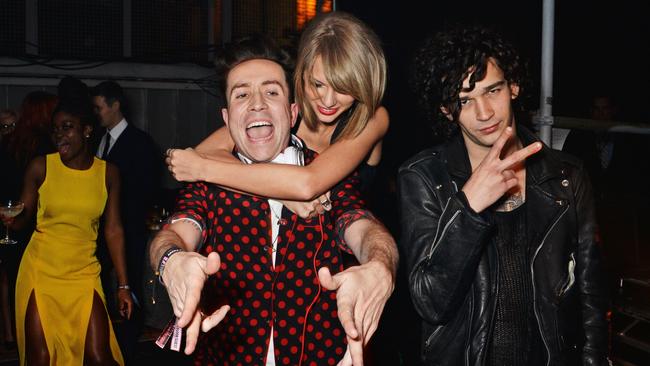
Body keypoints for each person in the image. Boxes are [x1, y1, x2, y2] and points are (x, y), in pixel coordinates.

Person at [150, 35, 397, 366]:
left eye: (271, 92)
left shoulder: (329, 174)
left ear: (293, 111)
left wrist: (380, 265)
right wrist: (172, 261)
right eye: (242, 95)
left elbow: (363, 226)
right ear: (226, 119)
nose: (256, 103)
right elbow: (176, 233)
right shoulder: (209, 182)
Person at [399, 26, 609, 365]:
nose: (484, 113)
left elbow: (591, 296)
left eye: (492, 90)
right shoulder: (425, 176)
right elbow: (431, 303)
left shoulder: (566, 177)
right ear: (446, 110)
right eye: (464, 100)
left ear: (513, 86)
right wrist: (468, 208)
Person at [166, 11, 388, 206]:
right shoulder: (288, 107)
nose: (328, 101)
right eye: (317, 84)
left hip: (344, 246)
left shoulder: (373, 117)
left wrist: (204, 169)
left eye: (344, 88)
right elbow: (201, 154)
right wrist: (281, 195)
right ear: (302, 73)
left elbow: (309, 183)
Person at [2, 99, 133, 365]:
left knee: (99, 356)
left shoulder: (108, 173)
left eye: (67, 127)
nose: (59, 134)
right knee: (42, 357)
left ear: (86, 130)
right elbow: (21, 219)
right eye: (55, 129)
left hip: (84, 273)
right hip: (41, 271)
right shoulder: (41, 166)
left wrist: (123, 285)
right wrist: (8, 219)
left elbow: (114, 230)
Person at [91, 80, 162, 363]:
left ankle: (127, 352)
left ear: (115, 105)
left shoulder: (140, 142)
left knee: (128, 288)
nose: (96, 114)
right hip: (99, 230)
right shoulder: (98, 139)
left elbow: (147, 188)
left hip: (128, 229)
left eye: (98, 108)